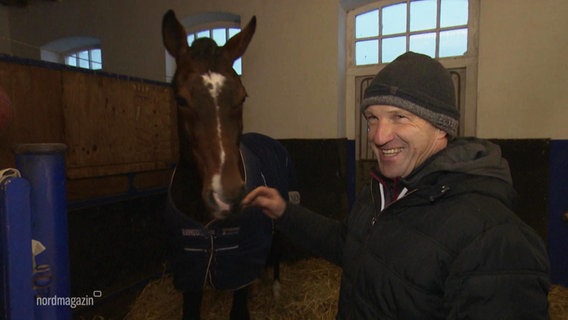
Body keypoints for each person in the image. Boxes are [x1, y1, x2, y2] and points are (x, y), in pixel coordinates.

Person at [242, 51, 550, 319]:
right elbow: (347, 244)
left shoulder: (495, 241)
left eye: (400, 116)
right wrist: (284, 212)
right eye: (372, 118)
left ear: (441, 127)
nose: (378, 136)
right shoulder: (381, 192)